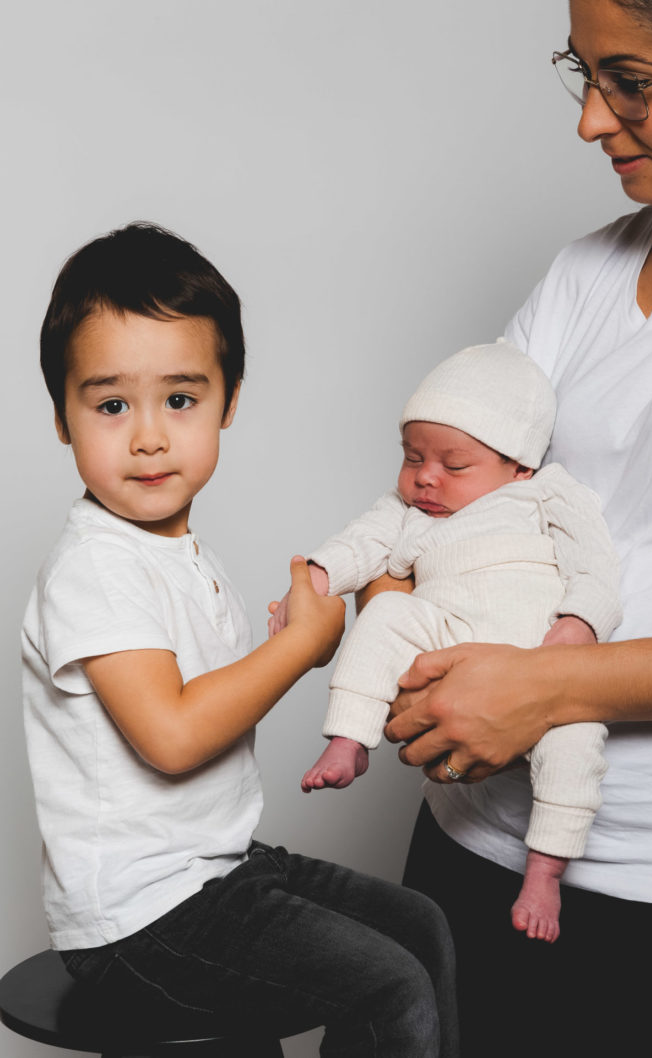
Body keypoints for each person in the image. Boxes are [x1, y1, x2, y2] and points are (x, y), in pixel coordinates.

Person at [21, 222, 459, 1058]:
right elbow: (173, 735)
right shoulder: (94, 567)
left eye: (179, 400)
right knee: (388, 983)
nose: (148, 436)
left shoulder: (179, 554)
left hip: (216, 870)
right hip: (138, 918)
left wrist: (307, 631)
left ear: (228, 400)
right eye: (111, 404)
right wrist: (298, 648)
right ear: (61, 417)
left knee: (420, 925)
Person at [375, 0, 652, 1050]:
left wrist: (545, 684)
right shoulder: (585, 272)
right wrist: (393, 607)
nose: (591, 121)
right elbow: (453, 478)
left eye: (633, 79)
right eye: (583, 71)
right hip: (464, 841)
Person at [269, 340, 621, 944]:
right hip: (448, 638)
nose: (426, 477)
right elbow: (362, 544)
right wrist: (317, 579)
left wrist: (579, 625)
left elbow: (598, 567)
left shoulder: (544, 494)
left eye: (454, 466)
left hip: (543, 660)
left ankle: (544, 872)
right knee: (388, 616)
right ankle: (350, 738)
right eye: (412, 457)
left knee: (576, 745)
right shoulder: (410, 511)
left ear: (519, 466)